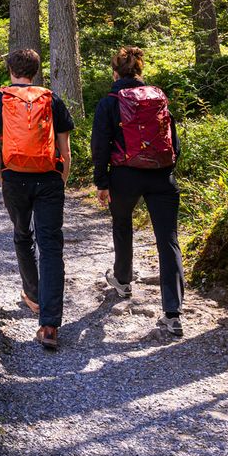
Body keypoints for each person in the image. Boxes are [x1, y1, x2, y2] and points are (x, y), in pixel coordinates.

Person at [0, 47, 75, 351]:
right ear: (36, 71)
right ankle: (49, 325)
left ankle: (32, 296)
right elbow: (66, 152)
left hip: (15, 177)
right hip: (48, 178)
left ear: (10, 70)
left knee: (23, 235)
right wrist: (58, 182)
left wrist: (2, 176)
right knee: (51, 246)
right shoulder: (51, 98)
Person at [91, 45, 185, 337]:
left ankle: (122, 280)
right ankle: (173, 313)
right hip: (162, 176)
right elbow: (174, 140)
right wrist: (167, 170)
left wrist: (102, 182)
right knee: (168, 239)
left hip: (124, 176)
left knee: (122, 225)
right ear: (140, 71)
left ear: (115, 72)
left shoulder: (109, 102)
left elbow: (100, 145)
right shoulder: (157, 97)